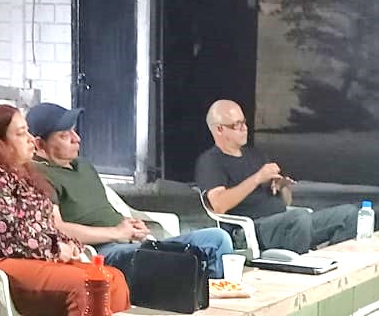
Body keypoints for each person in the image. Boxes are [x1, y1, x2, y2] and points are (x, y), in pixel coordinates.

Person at [0, 104, 130, 316]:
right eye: (21, 134)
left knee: (113, 279)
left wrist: (68, 243)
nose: (31, 140)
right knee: (88, 286)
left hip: (27, 260)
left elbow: (44, 224)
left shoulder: (19, 175)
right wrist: (57, 249)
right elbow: (10, 238)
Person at [26, 102, 234, 278]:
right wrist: (116, 233)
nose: (76, 138)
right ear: (39, 145)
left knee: (217, 239)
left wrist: (130, 225)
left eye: (74, 131)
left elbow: (102, 210)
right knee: (173, 260)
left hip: (129, 240)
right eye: (64, 135)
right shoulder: (38, 176)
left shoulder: (83, 165)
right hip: (102, 251)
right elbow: (57, 228)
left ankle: (213, 299)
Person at [193, 100, 360, 254]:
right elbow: (218, 205)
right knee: (299, 218)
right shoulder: (211, 162)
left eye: (244, 122)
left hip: (285, 224)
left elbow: (287, 202)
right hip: (249, 231)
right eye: (237, 124)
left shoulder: (256, 155)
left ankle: (334, 266)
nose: (244, 128)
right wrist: (257, 178)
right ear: (219, 129)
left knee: (349, 215)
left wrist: (281, 187)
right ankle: (300, 268)